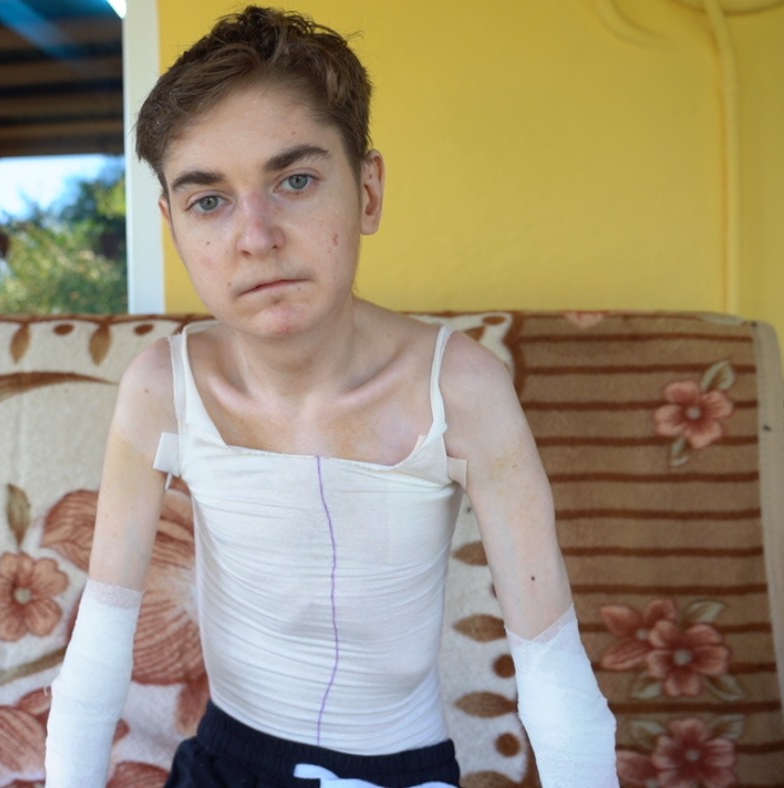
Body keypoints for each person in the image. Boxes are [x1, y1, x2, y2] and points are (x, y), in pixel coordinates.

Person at [44, 6, 617, 787]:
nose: (256, 236)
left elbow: (555, 679)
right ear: (173, 227)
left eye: (296, 181)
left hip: (402, 772)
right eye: (209, 201)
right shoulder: (162, 388)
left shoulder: (460, 389)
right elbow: (95, 660)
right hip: (225, 765)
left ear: (368, 192)